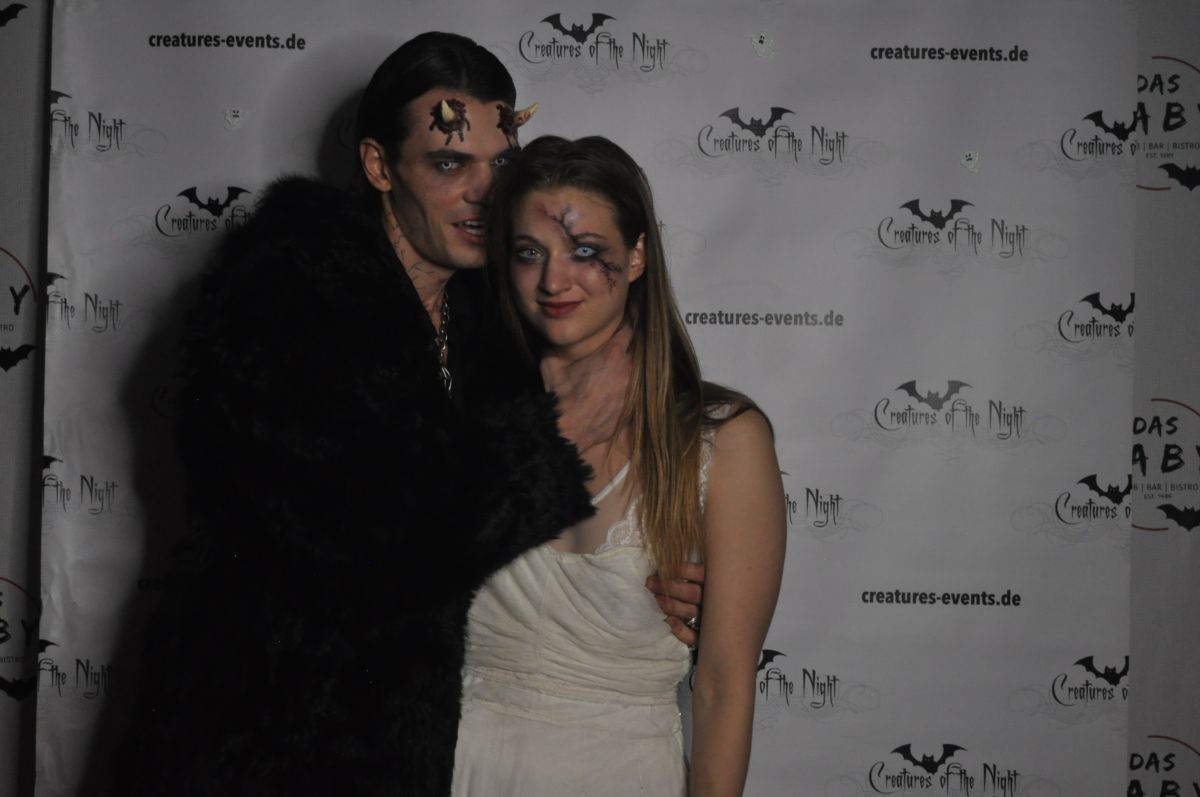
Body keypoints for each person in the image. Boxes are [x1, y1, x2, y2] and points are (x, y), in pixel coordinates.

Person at [112, 33, 700, 796]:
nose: (485, 194)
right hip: (258, 744)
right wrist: (558, 441)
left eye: (501, 164)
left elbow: (520, 539)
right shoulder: (280, 294)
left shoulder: (494, 314)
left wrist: (643, 581)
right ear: (379, 165)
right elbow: (374, 550)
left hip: (414, 748)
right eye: (450, 165)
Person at [450, 135, 787, 796]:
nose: (554, 281)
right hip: (457, 769)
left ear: (636, 256)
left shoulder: (722, 441)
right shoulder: (462, 421)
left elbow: (723, 688)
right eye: (529, 252)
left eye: (584, 250)